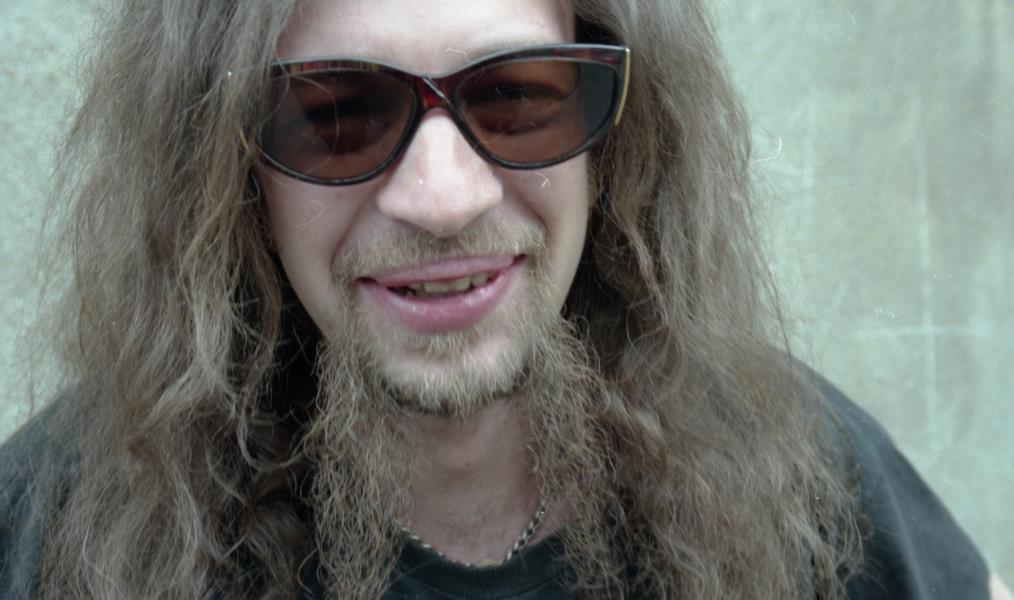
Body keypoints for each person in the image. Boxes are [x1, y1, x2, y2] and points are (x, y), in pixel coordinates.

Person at [0, 0, 1009, 598]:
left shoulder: (800, 479)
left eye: (516, 95)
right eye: (337, 114)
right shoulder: (68, 521)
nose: (443, 199)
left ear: (618, 140)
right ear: (228, 171)